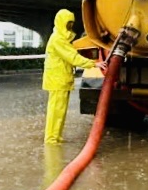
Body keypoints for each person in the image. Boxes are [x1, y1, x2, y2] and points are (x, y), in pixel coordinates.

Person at [42, 8, 104, 144]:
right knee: (56, 111)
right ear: (60, 23)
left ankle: (56, 136)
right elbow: (72, 57)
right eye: (68, 23)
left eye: (71, 23)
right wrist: (93, 64)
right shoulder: (58, 39)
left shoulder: (60, 39)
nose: (70, 26)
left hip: (61, 79)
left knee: (60, 110)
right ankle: (51, 138)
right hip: (57, 80)